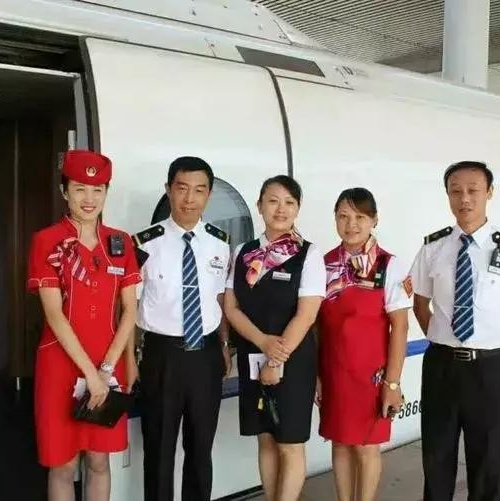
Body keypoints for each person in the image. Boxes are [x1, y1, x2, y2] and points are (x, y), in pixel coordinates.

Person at [409, 161, 500, 501]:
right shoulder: (433, 248)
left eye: (473, 190)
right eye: (456, 191)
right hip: (441, 367)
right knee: (436, 457)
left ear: (489, 192)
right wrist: (444, 339)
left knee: (488, 462)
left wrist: (494, 346)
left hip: (490, 369)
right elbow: (420, 305)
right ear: (448, 195)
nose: (464, 198)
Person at [27, 150, 141, 501]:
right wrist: (91, 376)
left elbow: (130, 309)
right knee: (62, 464)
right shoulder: (46, 241)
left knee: (99, 460)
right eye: (79, 189)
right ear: (64, 192)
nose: (89, 199)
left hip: (108, 362)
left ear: (106, 192)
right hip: (60, 365)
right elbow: (54, 314)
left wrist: (108, 368)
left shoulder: (120, 243)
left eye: (97, 190)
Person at [133, 156, 232, 501]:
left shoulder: (220, 243)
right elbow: (128, 306)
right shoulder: (145, 244)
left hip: (205, 355)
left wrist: (224, 345)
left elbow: (221, 300)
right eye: (182, 188)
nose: (189, 199)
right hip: (161, 356)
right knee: (158, 450)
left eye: (199, 190)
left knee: (201, 449)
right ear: (168, 190)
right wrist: (130, 358)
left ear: (209, 195)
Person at [223, 175, 326, 501]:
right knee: (265, 438)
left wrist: (275, 356)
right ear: (259, 205)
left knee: (289, 443)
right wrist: (262, 342)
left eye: (289, 202)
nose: (280, 209)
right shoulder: (243, 252)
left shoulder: (308, 254)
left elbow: (306, 314)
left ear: (298, 208)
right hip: (253, 354)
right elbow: (231, 307)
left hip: (293, 360)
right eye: (273, 201)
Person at [316, 188, 412, 501]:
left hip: (372, 375)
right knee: (340, 443)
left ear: (374, 220)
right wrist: (317, 374)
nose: (351, 224)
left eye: (360, 217)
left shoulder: (388, 265)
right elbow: (316, 325)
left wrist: (392, 383)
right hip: (334, 371)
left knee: (367, 447)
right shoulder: (324, 264)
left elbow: (400, 326)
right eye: (343, 216)